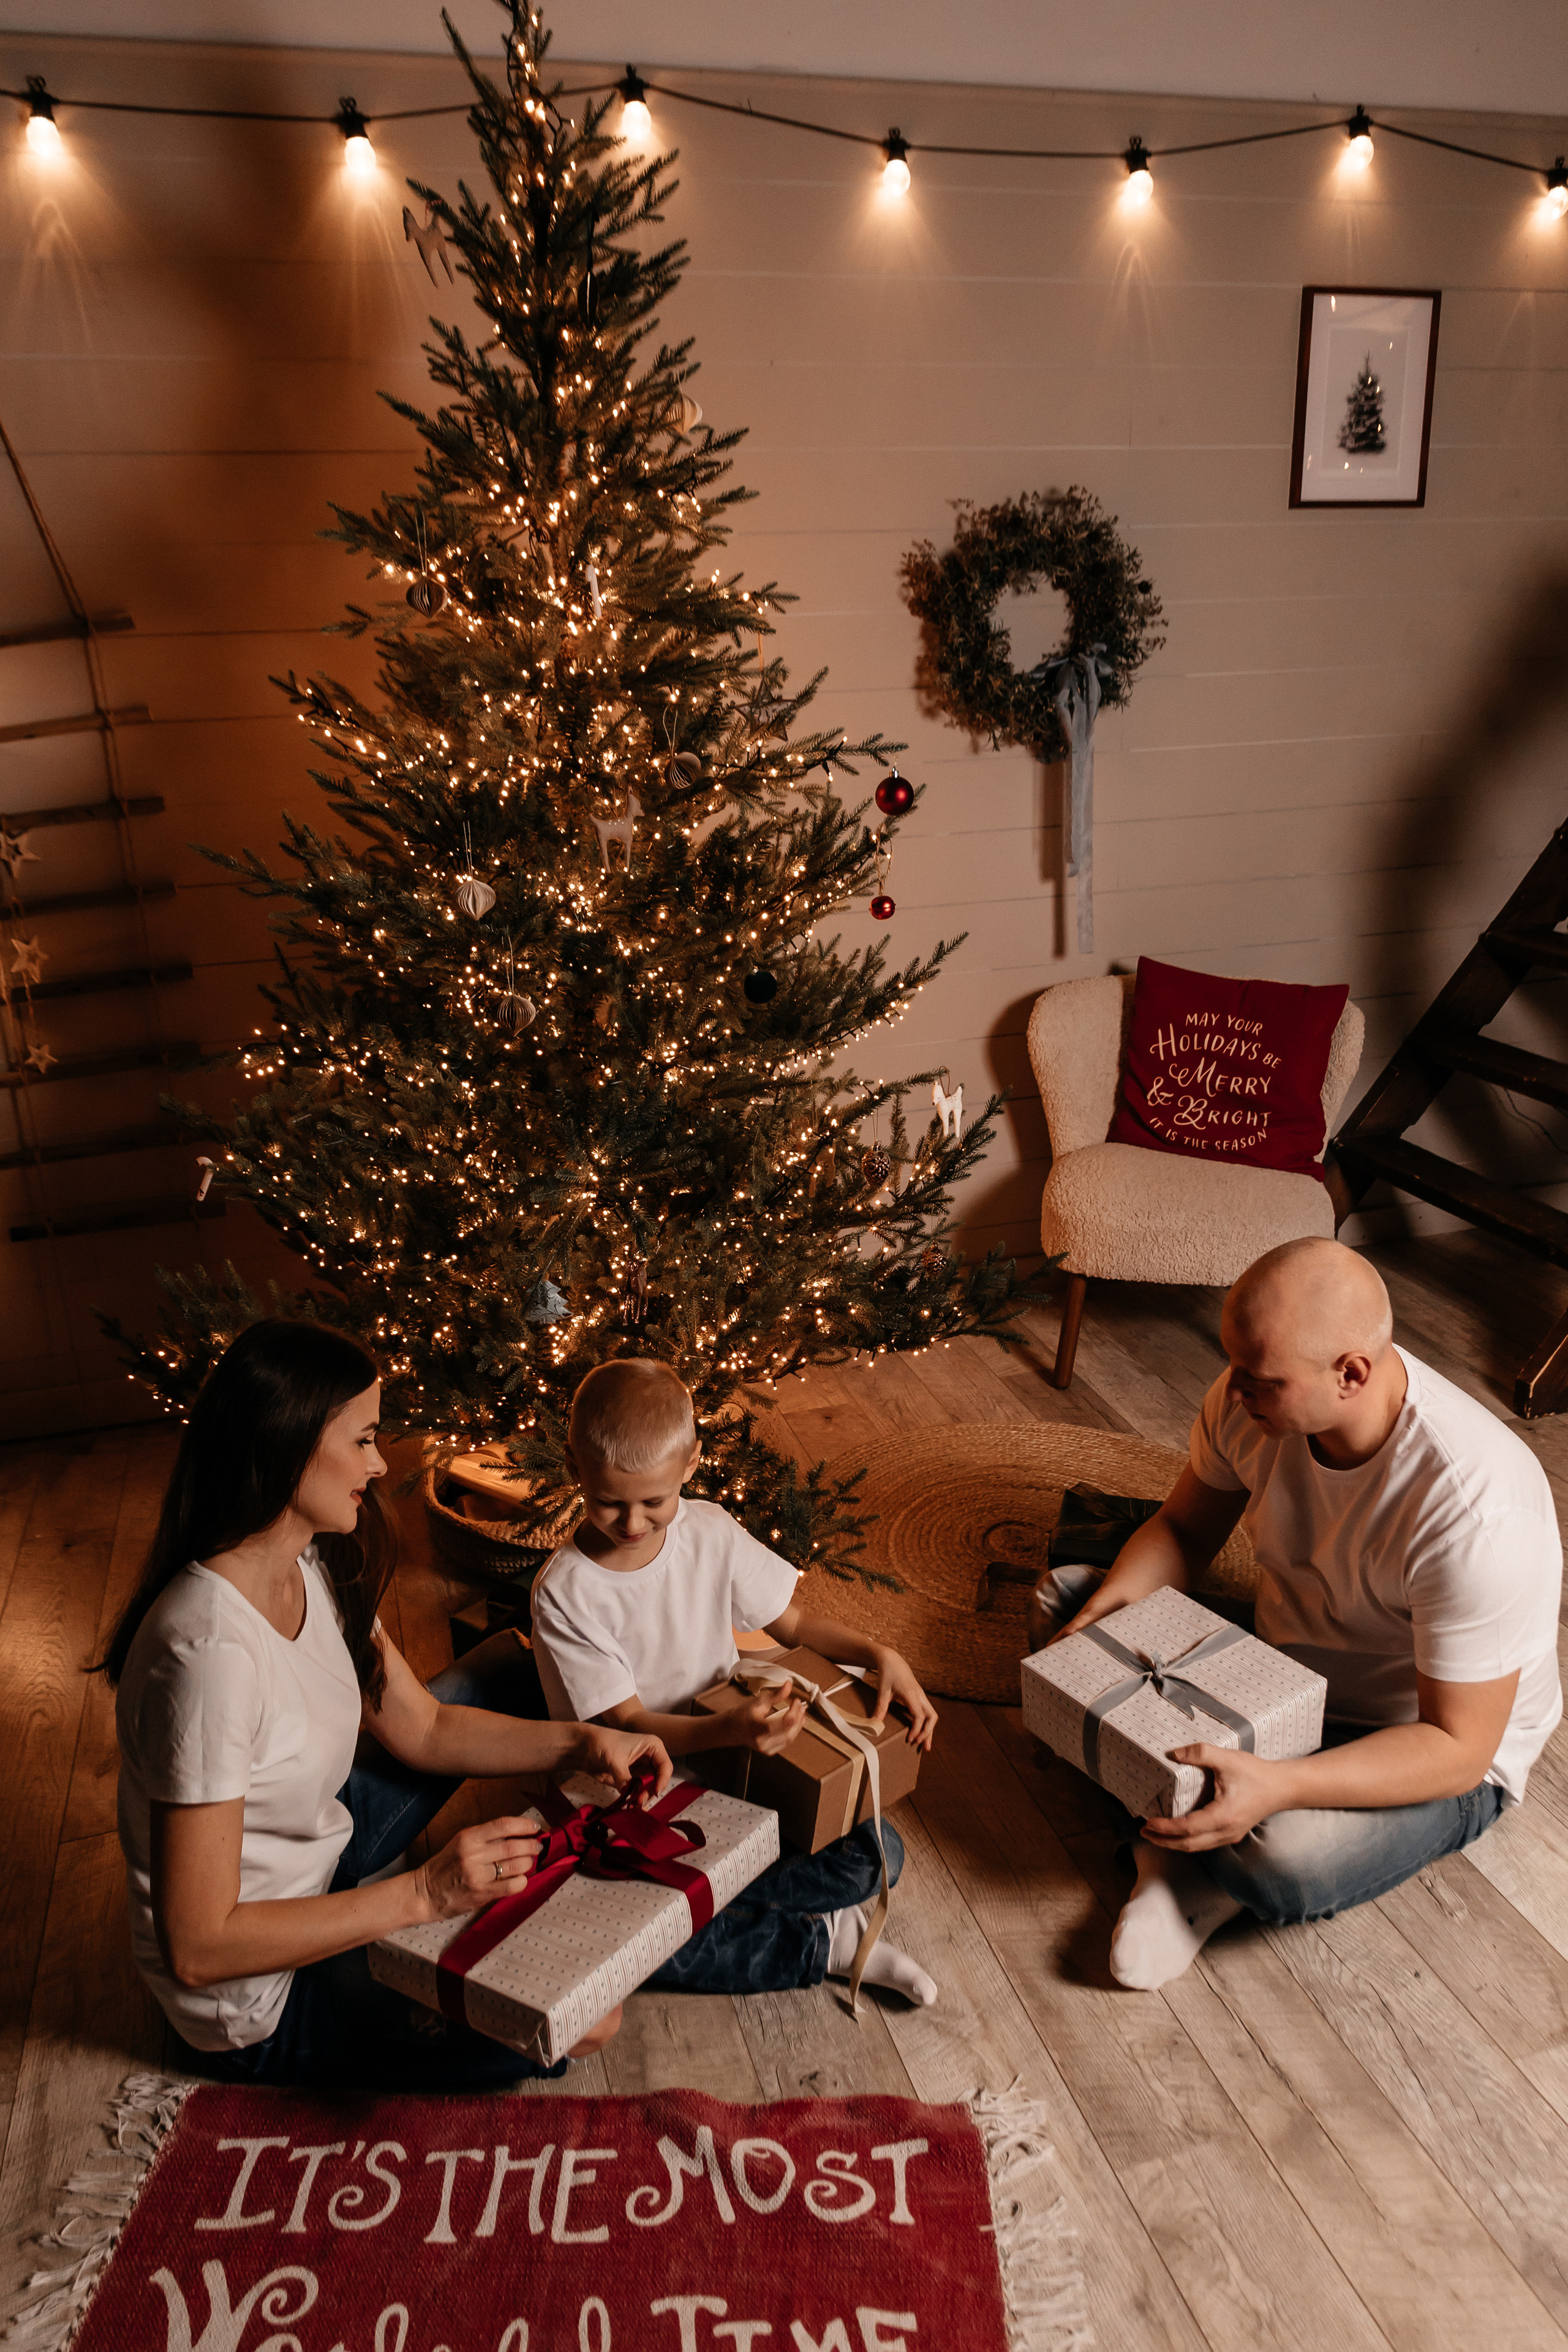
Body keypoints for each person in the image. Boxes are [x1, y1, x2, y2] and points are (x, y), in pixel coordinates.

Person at [101, 1319, 672, 2090]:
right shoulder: (205, 1658)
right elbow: (199, 1945)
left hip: (321, 1856)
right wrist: (424, 1894)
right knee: (590, 2019)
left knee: (508, 1667)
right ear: (290, 1443)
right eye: (364, 1439)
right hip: (261, 1996)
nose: (378, 1463)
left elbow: (425, 1728)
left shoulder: (312, 1559)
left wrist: (582, 1742)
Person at [1031, 1236, 1562, 1991]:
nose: (1232, 1389)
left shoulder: (1475, 1511)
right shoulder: (1250, 1397)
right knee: (1067, 1603)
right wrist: (1114, 1619)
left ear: (1351, 1374)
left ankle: (1181, 1870)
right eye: (1234, 1366)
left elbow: (1457, 1747)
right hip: (1281, 1670)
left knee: (1282, 1854)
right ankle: (1187, 1836)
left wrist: (1279, 1787)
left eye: (1260, 1380)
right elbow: (1184, 1530)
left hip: (1413, 1739)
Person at [530, 1358, 942, 2006]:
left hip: (736, 1763)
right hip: (635, 1795)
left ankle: (699, 1905)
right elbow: (630, 1729)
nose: (632, 1524)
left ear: (690, 1464)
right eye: (610, 1502)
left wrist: (877, 1650)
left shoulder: (710, 1531)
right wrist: (729, 1733)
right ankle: (820, 1942)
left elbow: (794, 1622)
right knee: (629, 1942)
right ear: (572, 1465)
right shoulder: (567, 1593)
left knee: (875, 1856)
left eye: (653, 1503)